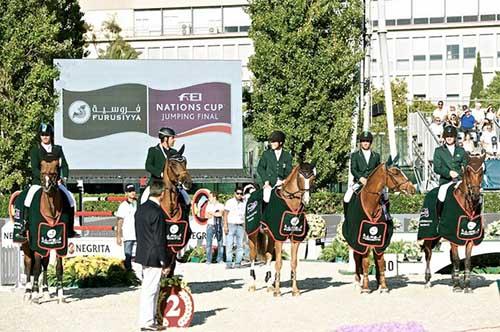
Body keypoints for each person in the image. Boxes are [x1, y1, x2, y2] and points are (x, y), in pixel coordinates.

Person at [30, 122, 76, 236]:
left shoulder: (57, 149)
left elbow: (64, 166)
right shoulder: (35, 150)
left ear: (51, 135)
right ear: (39, 136)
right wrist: (43, 179)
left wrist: (63, 178)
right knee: (28, 199)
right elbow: (34, 168)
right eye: (42, 134)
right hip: (39, 182)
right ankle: (24, 225)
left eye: (47, 134)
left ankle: (70, 228)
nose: (45, 136)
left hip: (55, 182)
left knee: (71, 200)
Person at [135, 180, 168, 332]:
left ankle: (150, 319)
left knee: (148, 288)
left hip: (142, 253)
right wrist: (164, 261)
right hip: (154, 255)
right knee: (151, 290)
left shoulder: (140, 209)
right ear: (162, 194)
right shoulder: (158, 212)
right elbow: (159, 239)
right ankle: (147, 322)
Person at [433, 126, 467, 213]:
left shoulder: (461, 151)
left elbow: (465, 165)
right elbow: (437, 168)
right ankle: (439, 216)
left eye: (451, 136)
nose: (449, 138)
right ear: (444, 137)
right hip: (446, 181)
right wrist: (448, 173)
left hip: (460, 180)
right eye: (447, 136)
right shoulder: (439, 151)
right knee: (441, 194)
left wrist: (459, 173)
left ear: (455, 137)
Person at [343, 131, 381, 205]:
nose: (365, 143)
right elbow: (353, 169)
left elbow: (378, 170)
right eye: (363, 141)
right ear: (360, 142)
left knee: (385, 196)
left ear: (370, 142)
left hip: (373, 183)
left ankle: (387, 214)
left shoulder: (376, 156)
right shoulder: (355, 155)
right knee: (347, 198)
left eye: (367, 141)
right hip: (359, 182)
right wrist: (360, 178)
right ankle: (347, 216)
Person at [257, 130, 293, 201]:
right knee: (266, 197)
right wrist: (266, 181)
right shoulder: (266, 154)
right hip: (270, 183)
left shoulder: (287, 155)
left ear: (281, 142)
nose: (271, 144)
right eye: (271, 142)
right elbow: (260, 168)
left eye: (274, 142)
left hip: (283, 183)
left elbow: (289, 170)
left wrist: (285, 180)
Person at [115, 184, 138, 271]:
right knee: (128, 256)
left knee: (140, 257)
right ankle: (129, 273)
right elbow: (120, 221)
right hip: (128, 234)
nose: (132, 193)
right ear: (126, 193)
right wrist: (118, 236)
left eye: (133, 190)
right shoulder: (123, 205)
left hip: (139, 234)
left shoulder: (139, 203)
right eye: (130, 191)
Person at [223, 187, 246, 269]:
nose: (239, 195)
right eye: (238, 193)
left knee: (240, 245)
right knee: (229, 245)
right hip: (231, 224)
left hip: (240, 225)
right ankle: (229, 263)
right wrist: (225, 225)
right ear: (234, 193)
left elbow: (245, 215)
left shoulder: (244, 203)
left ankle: (238, 263)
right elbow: (225, 214)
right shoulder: (229, 202)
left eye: (241, 193)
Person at [205, 192, 225, 264]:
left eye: (210, 197)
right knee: (208, 243)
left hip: (218, 225)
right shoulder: (208, 206)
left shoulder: (221, 205)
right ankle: (208, 259)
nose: (208, 198)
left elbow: (220, 214)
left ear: (214, 197)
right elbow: (206, 216)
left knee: (220, 243)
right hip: (210, 225)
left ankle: (219, 259)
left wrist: (211, 213)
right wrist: (214, 213)